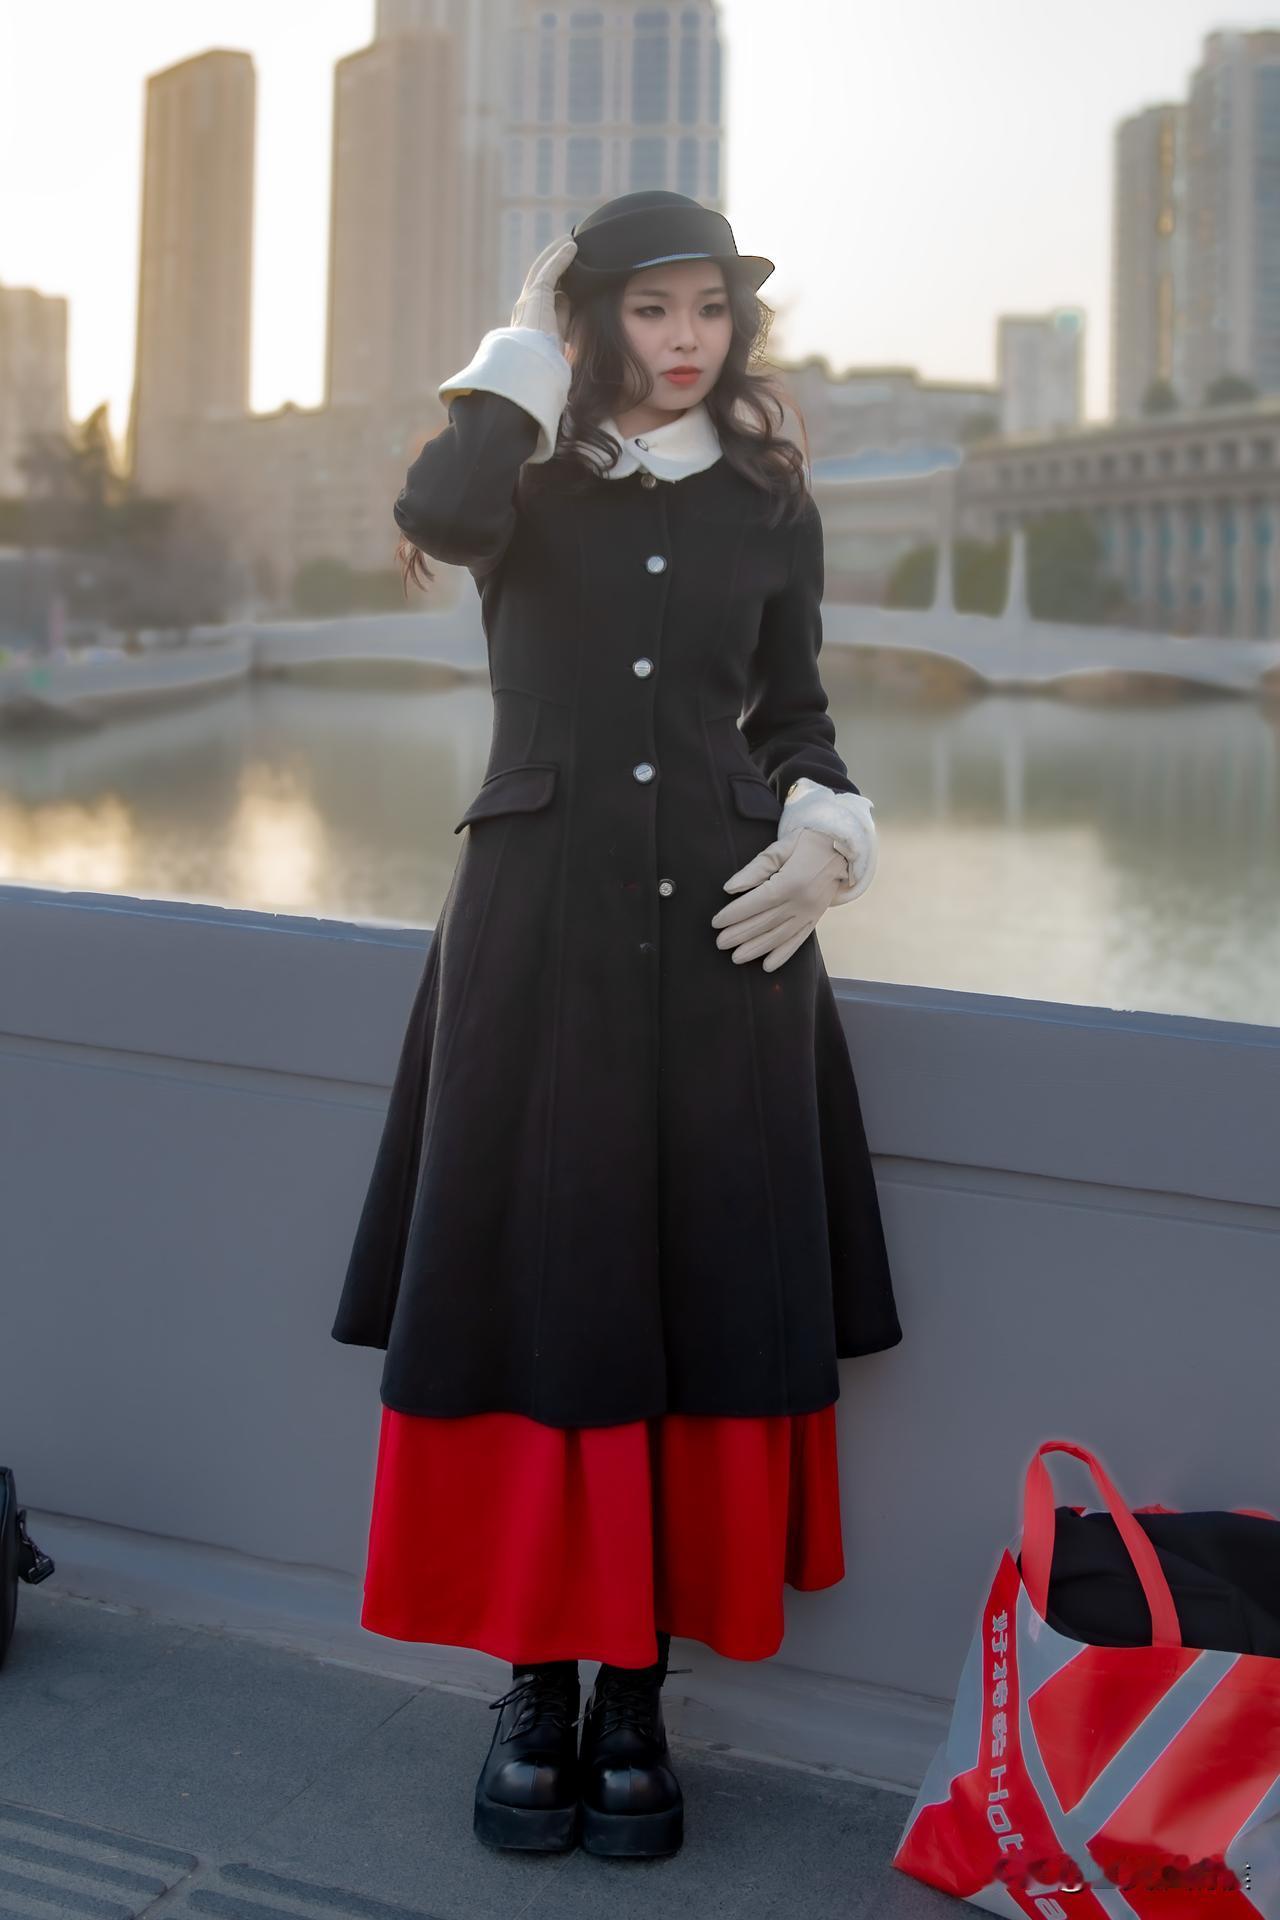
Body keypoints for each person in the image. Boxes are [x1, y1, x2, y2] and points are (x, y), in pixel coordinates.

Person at [330, 190, 904, 1861]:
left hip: (732, 945)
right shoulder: (520, 475)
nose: (685, 340)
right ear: (593, 322)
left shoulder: (768, 500)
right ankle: (536, 1685)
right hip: (537, 934)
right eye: (651, 309)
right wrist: (520, 347)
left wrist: (828, 837)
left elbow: (796, 715)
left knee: (687, 1283)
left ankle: (637, 1691)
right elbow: (433, 510)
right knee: (539, 1282)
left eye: (709, 309)